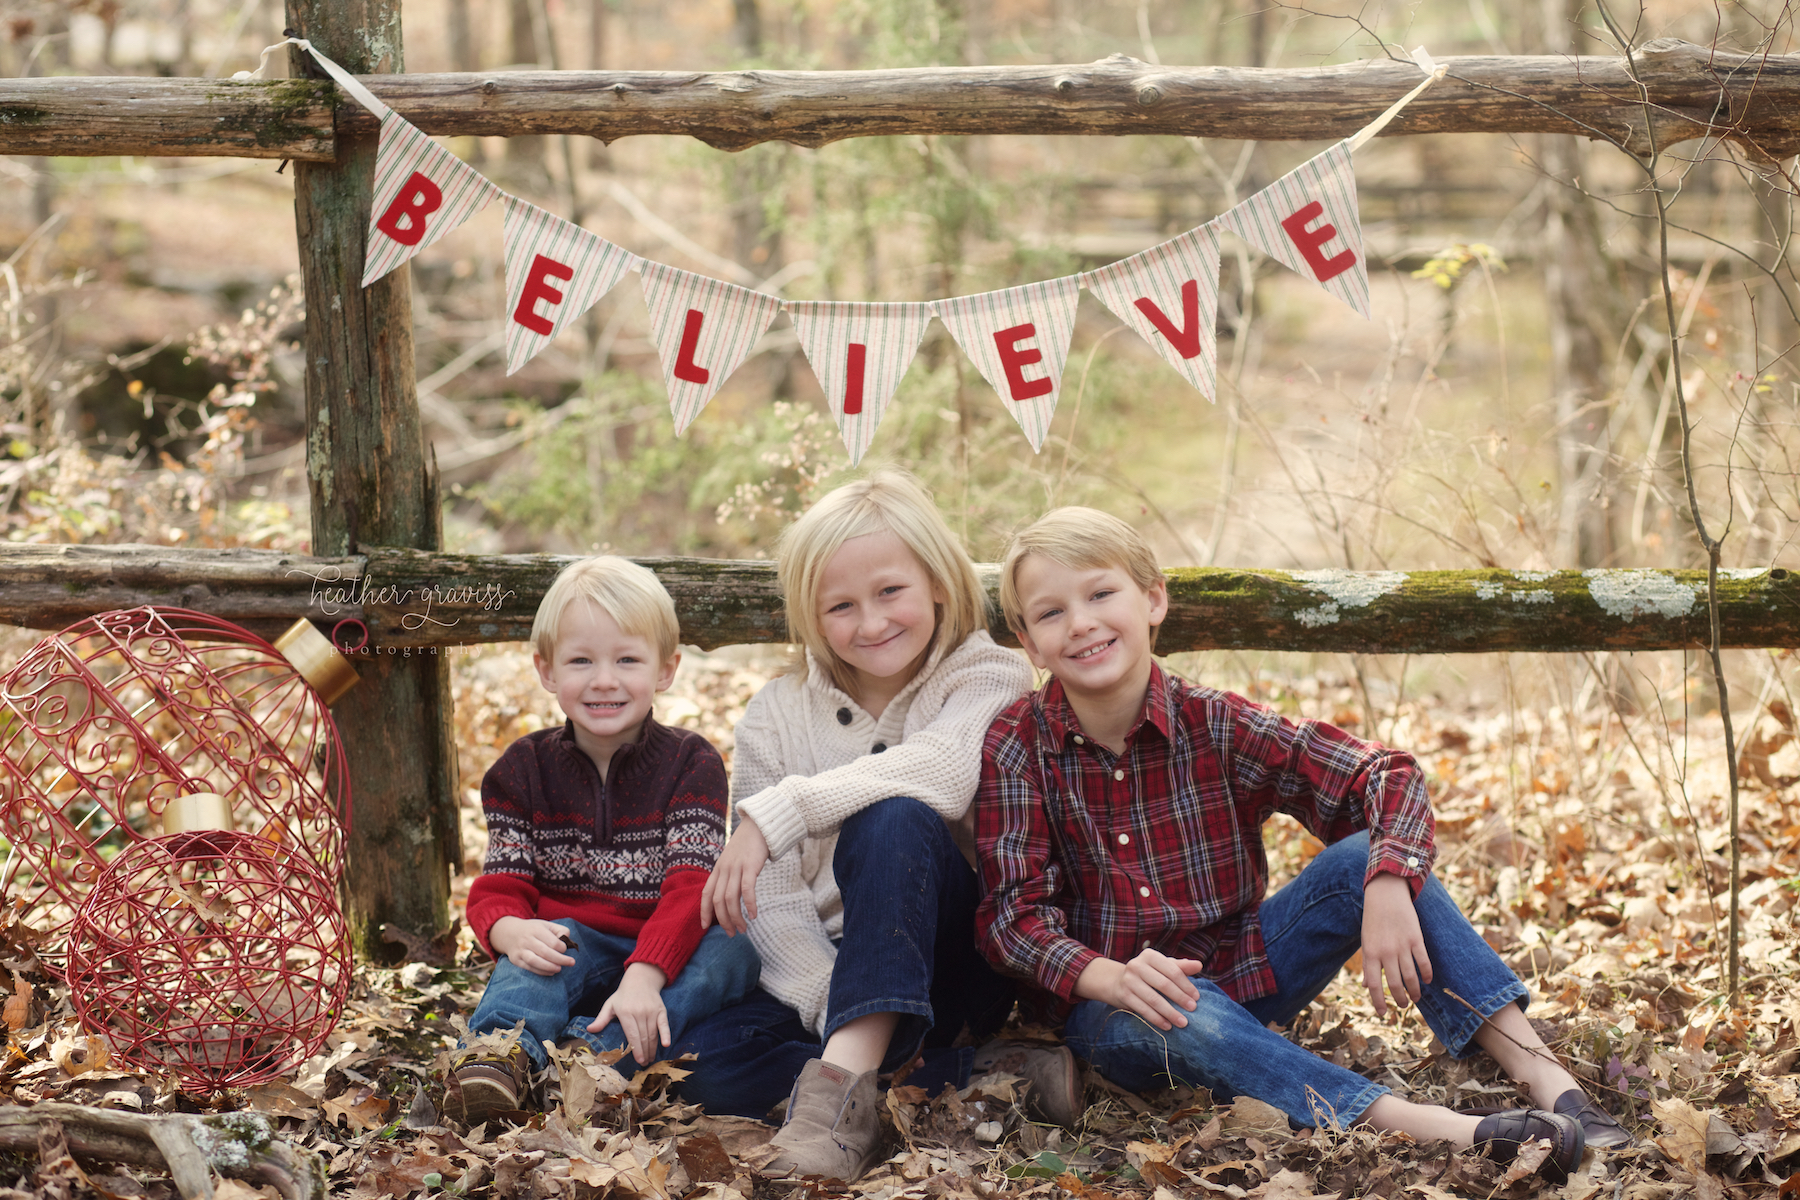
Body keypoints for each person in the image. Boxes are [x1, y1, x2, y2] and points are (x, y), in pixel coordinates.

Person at [974, 507, 1631, 1184]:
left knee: (1368, 859)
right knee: (1176, 1009)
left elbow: (1385, 773)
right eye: (1051, 613)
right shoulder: (1019, 746)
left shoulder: (1215, 722)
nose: (1081, 622)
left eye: (1101, 594)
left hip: (1249, 967)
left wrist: (1385, 885)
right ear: (1028, 641)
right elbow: (1010, 920)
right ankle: (1448, 1130)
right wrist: (1111, 978)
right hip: (1115, 1014)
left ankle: (1548, 1080)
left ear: (1153, 599)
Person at [678, 467, 1072, 1182]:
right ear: (808, 613)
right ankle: (975, 1073)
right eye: (840, 606)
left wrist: (781, 813)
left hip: (949, 960)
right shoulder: (777, 711)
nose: (871, 622)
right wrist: (838, 998)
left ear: (939, 584)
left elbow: (944, 769)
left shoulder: (988, 674)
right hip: (831, 969)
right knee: (696, 1065)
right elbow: (773, 897)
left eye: (890, 591)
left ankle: (838, 1117)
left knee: (892, 816)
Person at [449, 556, 759, 1124]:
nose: (604, 679)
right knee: (543, 943)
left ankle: (589, 1056)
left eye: (627, 659)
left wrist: (646, 973)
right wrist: (507, 927)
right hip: (575, 946)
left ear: (666, 669)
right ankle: (501, 1057)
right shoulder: (522, 769)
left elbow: (691, 887)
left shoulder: (692, 763)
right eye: (581, 661)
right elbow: (500, 883)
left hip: (668, 944)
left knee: (733, 950)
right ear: (547, 671)